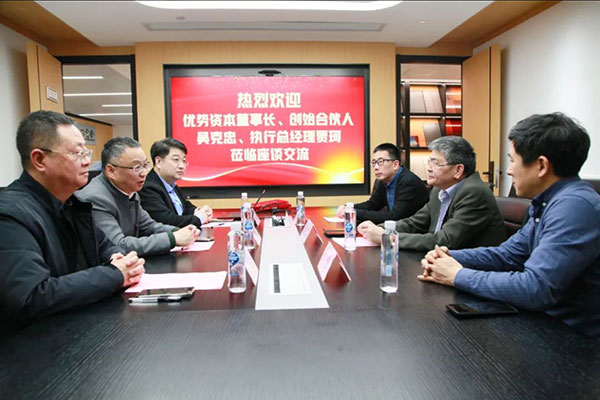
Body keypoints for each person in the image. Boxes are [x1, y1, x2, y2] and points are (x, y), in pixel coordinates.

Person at [419, 113, 600, 337]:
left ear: (541, 165)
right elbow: (508, 255)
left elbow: (535, 288)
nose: (509, 170)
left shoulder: (574, 207)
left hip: (569, 340)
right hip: (539, 324)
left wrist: (457, 275)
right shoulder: (548, 202)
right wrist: (448, 256)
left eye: (513, 160)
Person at [0, 111, 145, 321]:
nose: (87, 162)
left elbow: (105, 247)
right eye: (77, 154)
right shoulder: (10, 214)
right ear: (39, 159)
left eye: (86, 153)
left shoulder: (72, 204)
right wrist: (115, 274)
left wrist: (120, 259)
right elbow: (31, 296)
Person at [358, 136, 505, 251]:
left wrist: (388, 237)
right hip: (441, 260)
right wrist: (382, 228)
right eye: (429, 162)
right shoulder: (438, 190)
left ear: (458, 170)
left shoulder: (474, 192)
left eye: (436, 163)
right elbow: (415, 223)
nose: (428, 168)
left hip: (472, 269)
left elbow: (444, 240)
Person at [77, 137, 199, 257]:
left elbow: (149, 226)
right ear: (111, 171)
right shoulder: (96, 198)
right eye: (136, 167)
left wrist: (178, 231)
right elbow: (118, 245)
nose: (144, 173)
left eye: (145, 165)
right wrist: (172, 238)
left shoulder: (130, 190)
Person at [336, 143, 428, 224]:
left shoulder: (409, 182)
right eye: (374, 162)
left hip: (413, 231)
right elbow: (373, 205)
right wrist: (349, 207)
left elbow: (395, 216)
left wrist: (354, 213)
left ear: (395, 165)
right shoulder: (381, 180)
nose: (376, 167)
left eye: (380, 162)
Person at [139, 138, 212, 229]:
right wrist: (199, 218)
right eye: (176, 160)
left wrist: (201, 211)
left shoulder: (172, 185)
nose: (182, 166)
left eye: (184, 161)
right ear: (158, 162)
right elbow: (167, 220)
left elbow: (186, 207)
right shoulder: (147, 187)